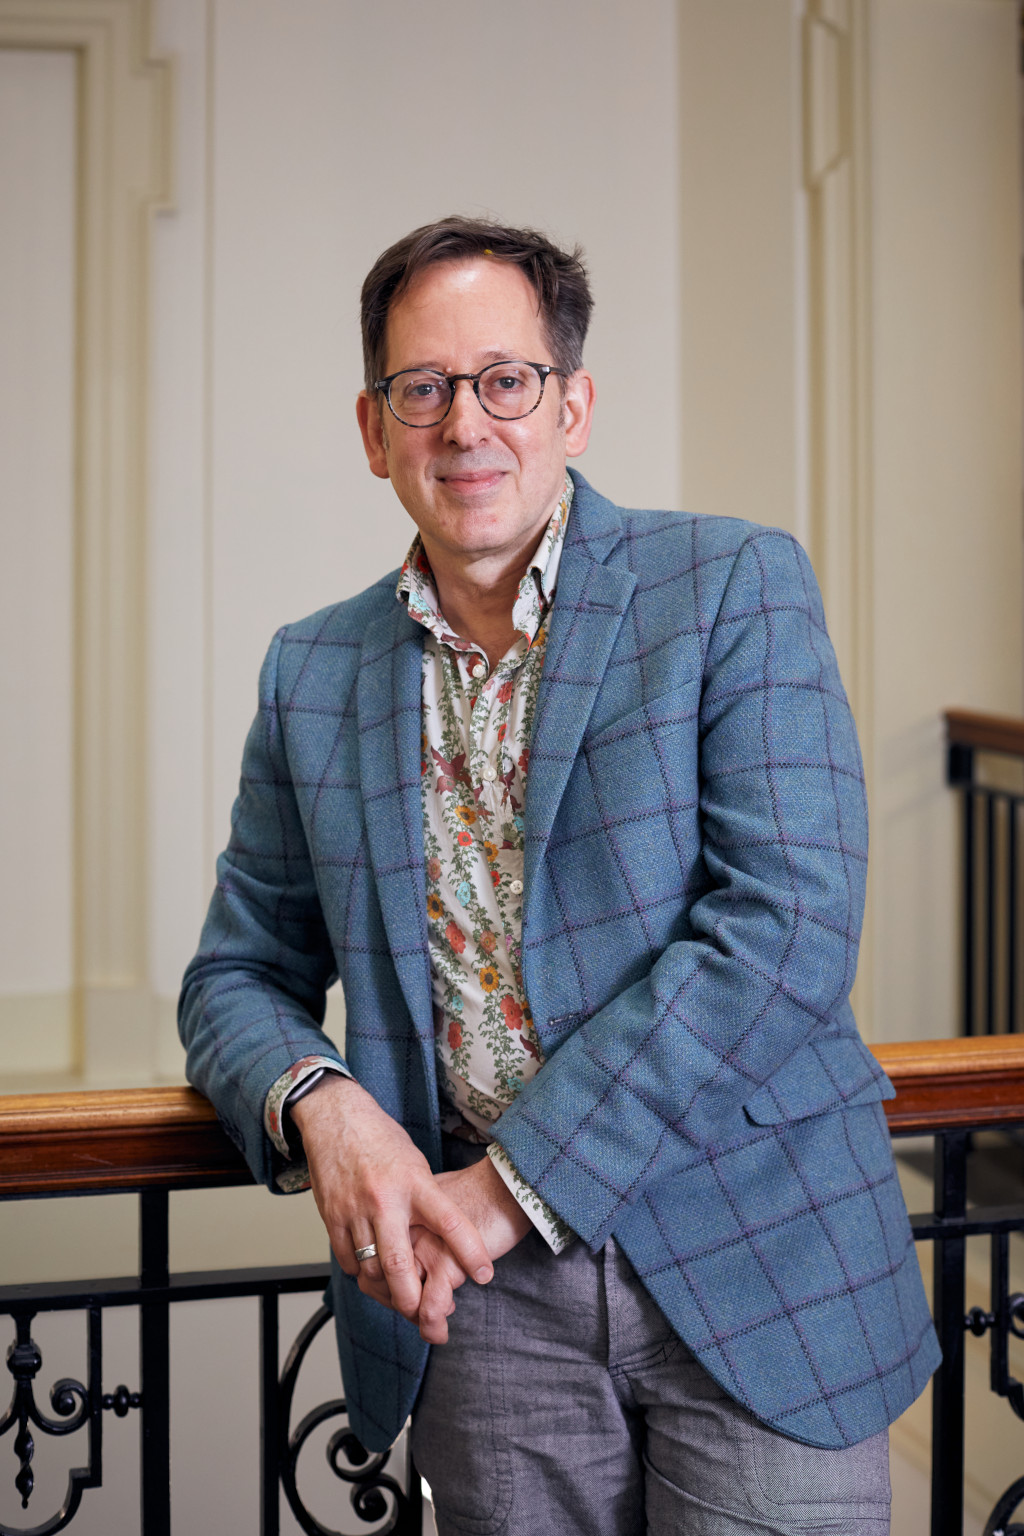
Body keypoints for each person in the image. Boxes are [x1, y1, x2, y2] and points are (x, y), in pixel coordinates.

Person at [179, 215, 939, 1535]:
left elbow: (789, 928)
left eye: (505, 380)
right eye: (423, 389)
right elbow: (235, 975)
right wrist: (324, 1105)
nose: (464, 424)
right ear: (373, 431)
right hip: (483, 1314)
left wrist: (509, 1188)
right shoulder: (311, 672)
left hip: (755, 1258)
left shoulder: (731, 586)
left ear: (572, 406)